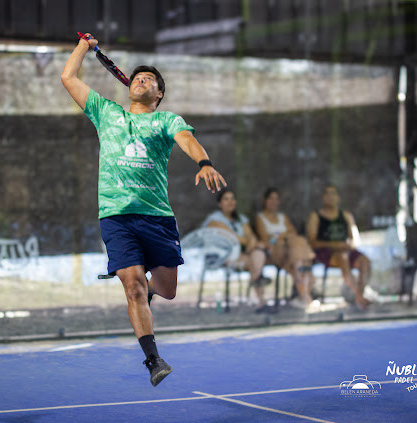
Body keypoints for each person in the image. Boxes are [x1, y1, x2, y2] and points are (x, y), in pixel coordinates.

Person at [61, 33, 227, 386]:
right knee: (133, 287)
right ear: (129, 87)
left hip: (157, 217)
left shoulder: (166, 120)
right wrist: (83, 47)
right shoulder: (106, 113)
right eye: (138, 77)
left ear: (159, 93)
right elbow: (68, 78)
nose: (141, 80)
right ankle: (153, 360)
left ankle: (145, 296)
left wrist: (204, 162)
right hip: (116, 217)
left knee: (166, 289)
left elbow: (187, 140)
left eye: (149, 79)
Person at [202, 187, 273, 313]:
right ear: (219, 203)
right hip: (221, 256)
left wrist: (252, 243)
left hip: (241, 254)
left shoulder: (240, 219)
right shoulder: (214, 219)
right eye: (226, 199)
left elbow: (250, 235)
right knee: (256, 260)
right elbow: (232, 237)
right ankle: (260, 293)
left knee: (257, 254)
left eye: (232, 199)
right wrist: (251, 243)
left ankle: (258, 287)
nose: (230, 202)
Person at [306, 184, 372, 309]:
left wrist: (347, 245)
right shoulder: (316, 216)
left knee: (365, 262)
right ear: (323, 197)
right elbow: (312, 242)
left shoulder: (346, 215)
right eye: (327, 193)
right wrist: (334, 245)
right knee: (343, 258)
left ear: (338, 197)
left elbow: (356, 240)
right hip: (325, 252)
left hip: (345, 250)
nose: (330, 197)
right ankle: (359, 297)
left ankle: (360, 293)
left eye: (333, 193)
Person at [255, 187, 316, 309]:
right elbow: (267, 240)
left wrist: (277, 235)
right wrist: (281, 236)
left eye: (276, 199)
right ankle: (305, 293)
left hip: (291, 251)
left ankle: (302, 293)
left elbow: (293, 233)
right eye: (271, 198)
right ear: (264, 200)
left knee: (297, 249)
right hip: (275, 250)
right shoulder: (260, 218)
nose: (274, 201)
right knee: (299, 250)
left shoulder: (282, 217)